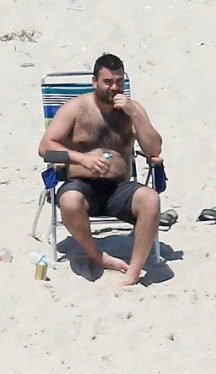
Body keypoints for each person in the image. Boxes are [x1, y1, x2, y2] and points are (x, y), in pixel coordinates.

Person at [37, 53, 163, 286]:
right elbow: (45, 147)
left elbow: (154, 148)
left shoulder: (132, 111)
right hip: (83, 186)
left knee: (151, 200)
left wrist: (134, 114)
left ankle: (133, 273)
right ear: (95, 81)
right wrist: (82, 159)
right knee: (69, 201)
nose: (114, 88)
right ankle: (99, 256)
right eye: (108, 82)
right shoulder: (76, 108)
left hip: (119, 188)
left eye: (119, 81)